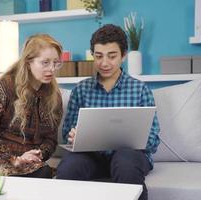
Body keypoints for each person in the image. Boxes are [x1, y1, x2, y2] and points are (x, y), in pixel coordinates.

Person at [56, 24, 160, 200]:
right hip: (91, 157)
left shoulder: (140, 89)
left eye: (111, 56)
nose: (104, 63)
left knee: (125, 162)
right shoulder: (81, 90)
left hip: (129, 158)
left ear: (123, 55)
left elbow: (153, 139)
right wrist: (73, 136)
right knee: (68, 167)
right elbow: (67, 133)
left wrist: (135, 140)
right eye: (98, 56)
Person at [0, 34, 63, 178]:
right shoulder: (5, 87)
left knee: (43, 172)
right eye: (45, 62)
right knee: (4, 174)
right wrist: (13, 159)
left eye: (56, 63)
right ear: (29, 62)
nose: (52, 69)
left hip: (27, 158)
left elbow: (51, 139)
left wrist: (39, 154)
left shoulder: (54, 96)